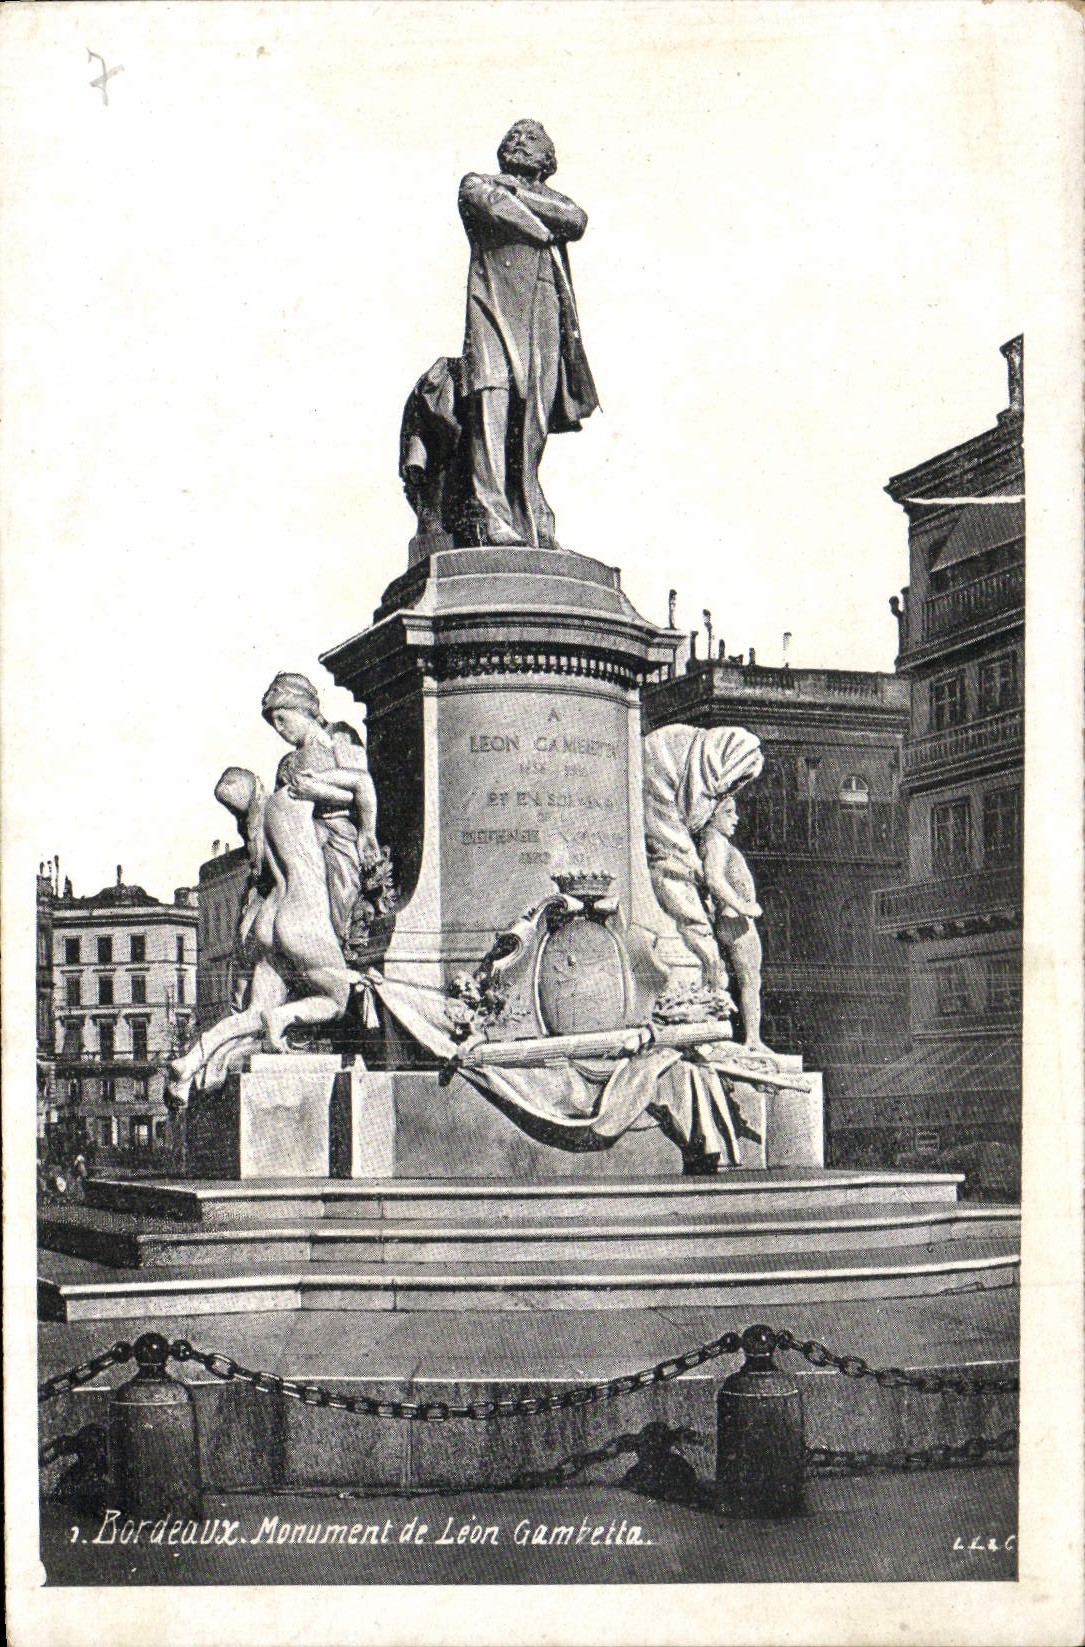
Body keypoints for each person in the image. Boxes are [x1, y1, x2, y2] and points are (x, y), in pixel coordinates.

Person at [168, 766, 357, 1098]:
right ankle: (282, 1017)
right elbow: (350, 795)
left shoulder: (254, 829)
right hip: (303, 909)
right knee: (338, 999)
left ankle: (192, 1058)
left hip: (269, 914)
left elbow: (261, 876)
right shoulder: (289, 798)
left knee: (254, 1012)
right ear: (258, 782)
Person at [458, 119, 598, 548]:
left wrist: (525, 197)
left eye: (530, 139)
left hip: (544, 307)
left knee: (534, 414)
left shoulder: (552, 198)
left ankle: (530, 513)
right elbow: (489, 203)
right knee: (492, 399)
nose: (517, 142)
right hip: (494, 304)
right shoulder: (477, 182)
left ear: (547, 159)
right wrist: (538, 224)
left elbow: (575, 220)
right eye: (512, 137)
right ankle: (491, 512)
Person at [260, 672, 379, 949]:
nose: (279, 728)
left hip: (340, 837)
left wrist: (366, 830)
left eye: (282, 718)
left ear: (305, 710)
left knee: (341, 910)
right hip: (306, 847)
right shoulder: (287, 763)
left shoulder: (339, 737)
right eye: (273, 722)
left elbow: (359, 788)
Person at [642, 723, 764, 989]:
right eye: (733, 780)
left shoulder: (697, 767)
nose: (728, 793)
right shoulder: (667, 756)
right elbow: (672, 857)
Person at [697, 793, 765, 1049]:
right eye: (728, 812)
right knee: (750, 978)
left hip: (734, 918)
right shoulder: (716, 841)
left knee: (749, 978)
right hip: (734, 919)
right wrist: (742, 905)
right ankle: (752, 1040)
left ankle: (752, 1039)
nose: (735, 818)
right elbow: (714, 878)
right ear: (713, 814)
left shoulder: (716, 841)